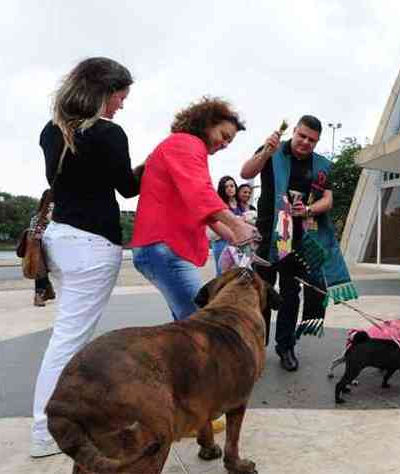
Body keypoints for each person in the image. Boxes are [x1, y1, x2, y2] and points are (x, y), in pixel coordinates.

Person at [31, 57, 141, 458]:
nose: (121, 105)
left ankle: (64, 418)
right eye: (119, 96)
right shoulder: (109, 134)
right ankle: (45, 431)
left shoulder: (51, 131)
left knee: (69, 336)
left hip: (60, 239)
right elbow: (128, 189)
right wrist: (156, 162)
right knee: (68, 339)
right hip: (93, 244)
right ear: (102, 92)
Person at [240, 115, 356, 372]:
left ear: (317, 142)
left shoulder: (322, 166)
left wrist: (308, 210)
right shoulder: (272, 150)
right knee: (261, 293)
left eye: (311, 140)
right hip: (267, 235)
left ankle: (286, 346)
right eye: (302, 136)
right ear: (294, 132)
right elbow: (245, 173)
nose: (305, 142)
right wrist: (265, 153)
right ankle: (255, 346)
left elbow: (328, 200)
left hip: (298, 239)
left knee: (291, 294)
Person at [131, 97, 256, 322]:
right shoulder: (186, 144)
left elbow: (200, 207)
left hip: (161, 248)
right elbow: (201, 193)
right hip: (164, 247)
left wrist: (234, 236)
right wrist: (237, 224)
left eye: (229, 141)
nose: (225, 144)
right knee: (202, 326)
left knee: (187, 327)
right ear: (207, 124)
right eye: (224, 136)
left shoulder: (182, 146)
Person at [210, 175, 244, 275]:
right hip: (221, 242)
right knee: (223, 273)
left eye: (232, 186)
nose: (230, 188)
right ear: (222, 189)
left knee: (237, 273)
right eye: (226, 187)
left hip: (238, 243)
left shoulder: (240, 204)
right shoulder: (218, 204)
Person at [30, 191, 55, 307]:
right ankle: (39, 294)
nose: (51, 205)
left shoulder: (63, 215)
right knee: (40, 265)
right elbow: (33, 235)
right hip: (41, 249)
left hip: (59, 248)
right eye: (49, 203)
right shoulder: (38, 217)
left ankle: (47, 290)